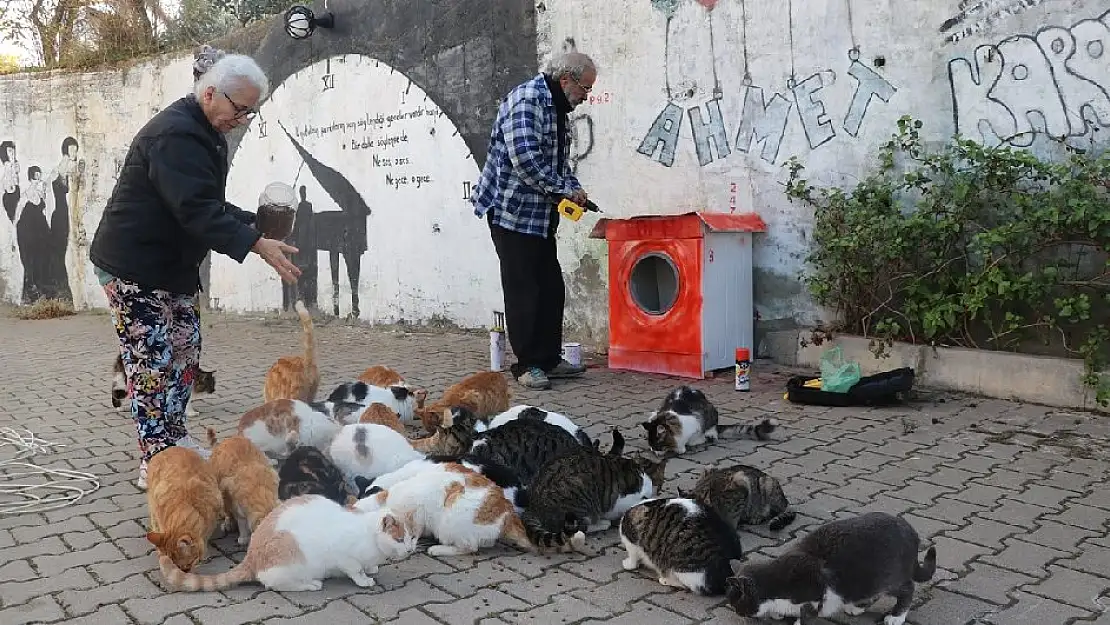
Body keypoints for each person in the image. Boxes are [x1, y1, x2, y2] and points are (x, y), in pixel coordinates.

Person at [89, 52, 301, 489]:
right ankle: (157, 457)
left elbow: (208, 203)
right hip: (133, 266)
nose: (241, 119)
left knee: (185, 352)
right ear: (210, 93)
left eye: (250, 111)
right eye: (238, 108)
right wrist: (255, 244)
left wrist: (253, 224)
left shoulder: (205, 131)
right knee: (151, 361)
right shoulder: (176, 134)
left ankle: (176, 438)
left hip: (172, 267)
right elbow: (194, 210)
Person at [470, 52, 597, 390]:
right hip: (510, 212)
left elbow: (557, 163)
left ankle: (549, 359)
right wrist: (562, 189)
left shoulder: (558, 110)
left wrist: (573, 188)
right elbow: (526, 159)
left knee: (551, 287)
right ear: (565, 79)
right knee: (523, 289)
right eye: (585, 88)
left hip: (539, 217)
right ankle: (527, 366)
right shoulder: (527, 100)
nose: (586, 96)